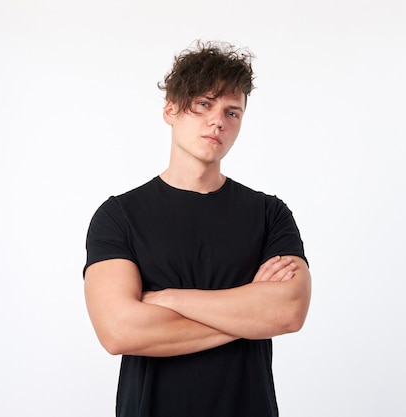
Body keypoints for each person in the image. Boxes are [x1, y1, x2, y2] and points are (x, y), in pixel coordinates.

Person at [83, 40, 312, 417]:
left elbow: (288, 312)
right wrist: (251, 312)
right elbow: (119, 330)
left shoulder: (269, 213)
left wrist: (170, 299)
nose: (218, 121)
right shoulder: (119, 215)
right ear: (170, 109)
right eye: (204, 104)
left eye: (232, 111)